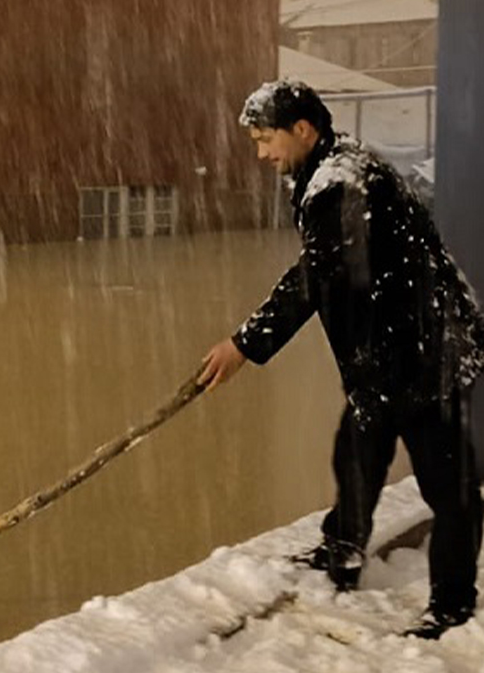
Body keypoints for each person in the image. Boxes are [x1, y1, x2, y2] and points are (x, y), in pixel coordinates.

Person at [200, 79, 484, 639]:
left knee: (448, 486)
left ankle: (451, 606)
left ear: (303, 130)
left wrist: (244, 345)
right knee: (357, 447)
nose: (262, 154)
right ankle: (343, 548)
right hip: (387, 353)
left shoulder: (340, 184)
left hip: (429, 355)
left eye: (266, 140)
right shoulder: (330, 166)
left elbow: (312, 277)